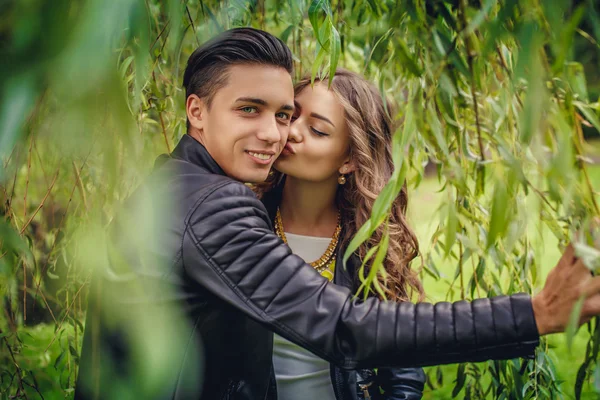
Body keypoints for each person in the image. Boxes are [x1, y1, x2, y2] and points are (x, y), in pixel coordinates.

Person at [75, 27, 600, 400]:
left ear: (349, 159)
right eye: (247, 110)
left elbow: (390, 348)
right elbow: (349, 327)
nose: (276, 134)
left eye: (282, 114)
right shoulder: (217, 205)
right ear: (196, 111)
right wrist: (535, 312)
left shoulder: (171, 183)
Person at [260, 69, 426, 399]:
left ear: (349, 159)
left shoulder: (369, 246)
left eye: (318, 130)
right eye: (290, 115)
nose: (291, 132)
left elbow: (403, 369)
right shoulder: (244, 222)